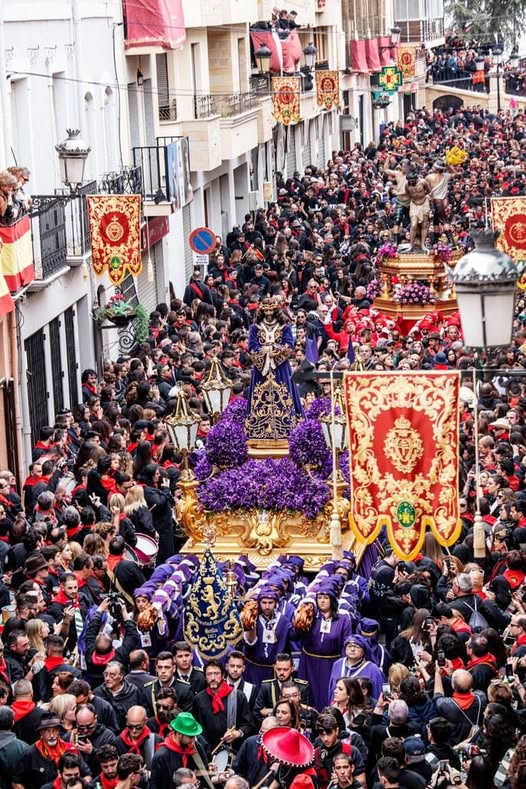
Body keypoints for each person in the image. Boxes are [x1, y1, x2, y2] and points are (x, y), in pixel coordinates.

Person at [246, 296, 303, 440]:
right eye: (267, 311)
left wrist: (276, 351)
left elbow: (289, 345)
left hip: (280, 367)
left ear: (276, 310)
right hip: (261, 369)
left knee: (283, 394)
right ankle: (259, 428)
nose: (269, 314)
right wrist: (263, 352)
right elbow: (252, 347)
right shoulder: (255, 328)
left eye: (272, 310)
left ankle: (286, 427)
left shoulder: (285, 327)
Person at [192, 659, 253, 752]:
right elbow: (197, 728)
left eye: (216, 673)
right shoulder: (199, 699)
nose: (213, 678)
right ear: (205, 677)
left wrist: (237, 733)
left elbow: (248, 724)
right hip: (207, 751)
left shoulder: (238, 696)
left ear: (223, 675)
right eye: (209, 674)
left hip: (233, 750)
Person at [405, 172, 431, 251]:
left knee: (424, 224)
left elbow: (429, 191)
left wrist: (423, 196)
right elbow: (408, 195)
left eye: (413, 181)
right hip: (414, 204)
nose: (411, 182)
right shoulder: (407, 185)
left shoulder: (423, 182)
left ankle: (423, 244)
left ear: (416, 179)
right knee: (413, 224)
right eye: (410, 181)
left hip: (424, 203)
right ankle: (411, 245)